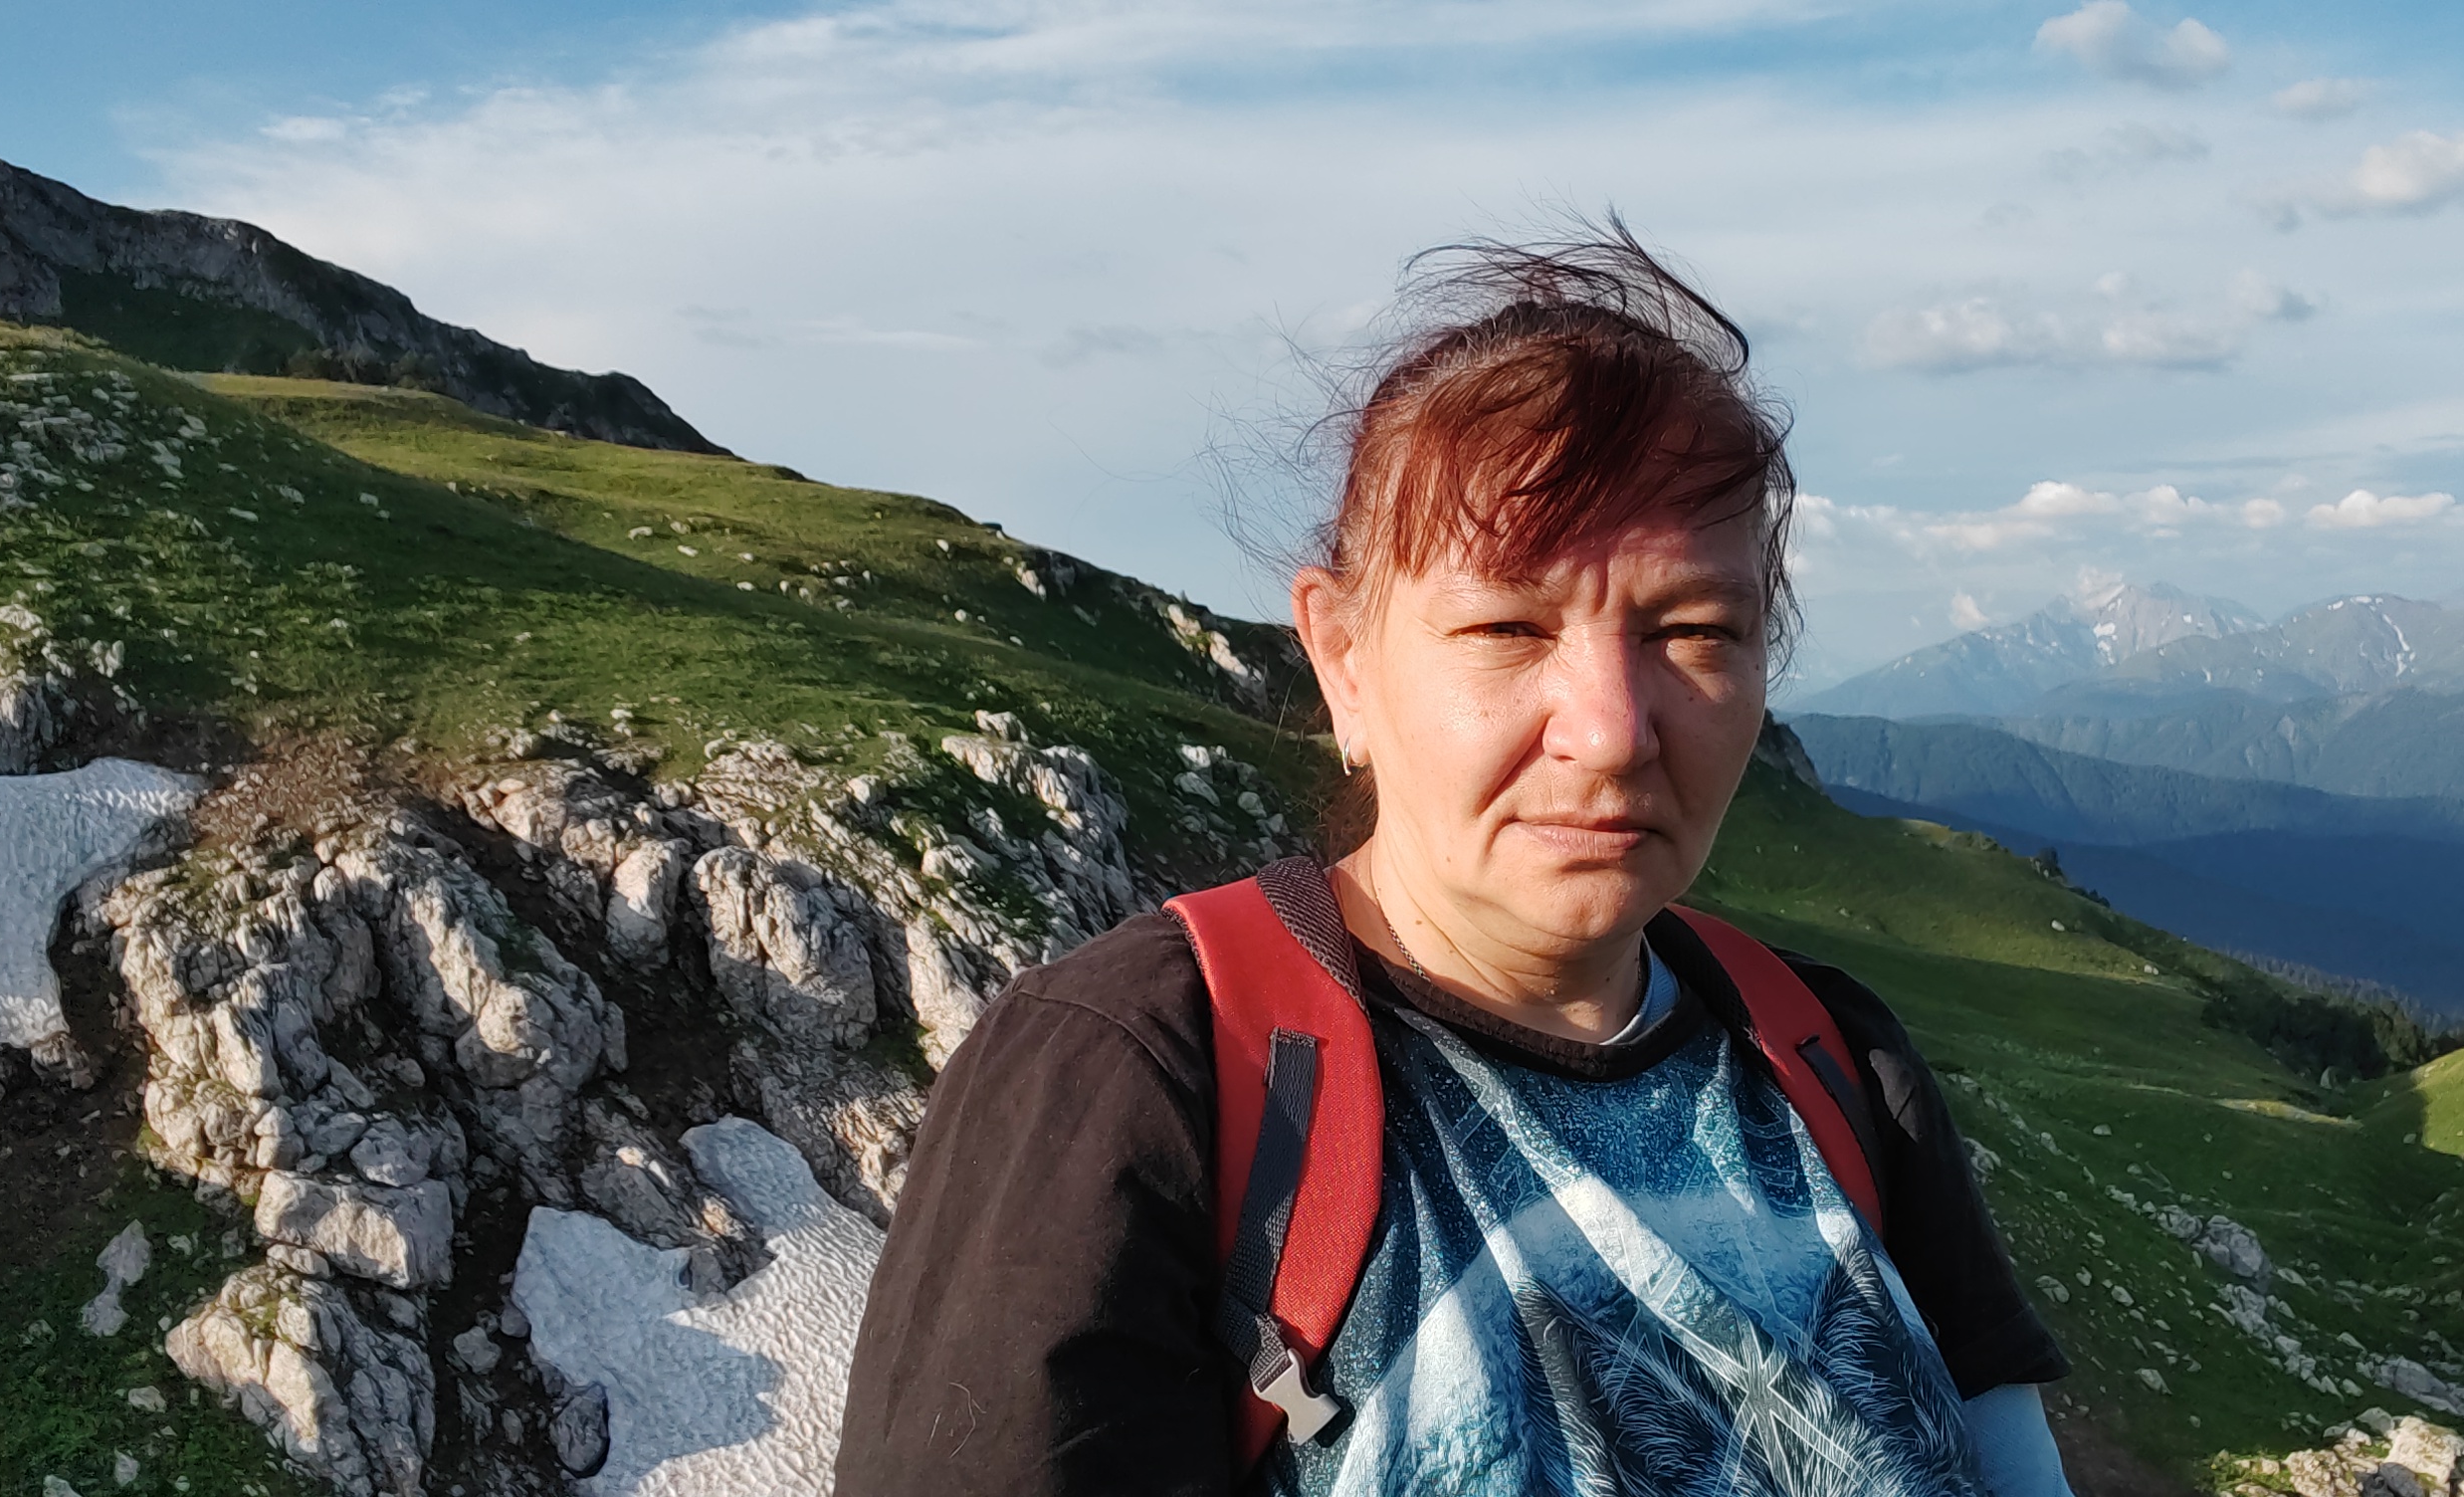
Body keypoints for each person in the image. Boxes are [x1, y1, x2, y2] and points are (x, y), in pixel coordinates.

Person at [833, 226, 2074, 1496]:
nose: (1611, 731)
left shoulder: (1832, 1055)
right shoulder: (1142, 1074)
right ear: (1344, 659)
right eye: (1506, 626)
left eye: (1697, 629)